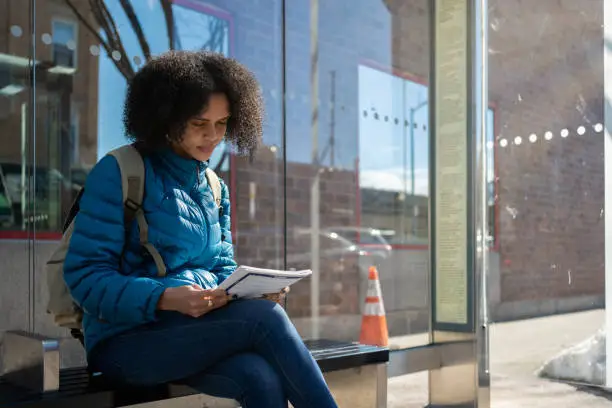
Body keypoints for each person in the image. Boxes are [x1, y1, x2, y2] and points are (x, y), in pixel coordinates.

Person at [63, 50, 338, 408]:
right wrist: (164, 297)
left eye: (222, 124)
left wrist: (249, 292)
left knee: (259, 377)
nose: (213, 137)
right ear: (166, 117)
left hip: (195, 331)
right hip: (125, 341)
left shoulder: (213, 187)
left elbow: (221, 268)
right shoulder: (120, 171)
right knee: (266, 320)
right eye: (199, 123)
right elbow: (86, 278)